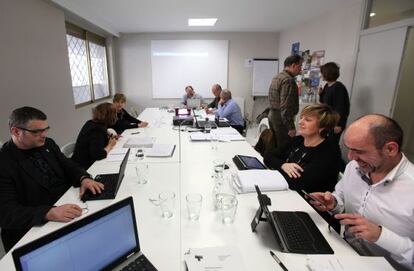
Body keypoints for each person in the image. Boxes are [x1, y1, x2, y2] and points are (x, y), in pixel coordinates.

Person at [309, 114, 414, 270]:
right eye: (349, 149)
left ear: (390, 149)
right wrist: (334, 203)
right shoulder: (354, 167)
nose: (351, 157)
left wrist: (381, 236)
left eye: (359, 151)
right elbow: (342, 198)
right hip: (343, 254)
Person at [0, 106, 104, 251]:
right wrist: (48, 213)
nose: (44, 135)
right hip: (34, 230)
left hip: (68, 206)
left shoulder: (47, 144)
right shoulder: (4, 162)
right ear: (15, 131)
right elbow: (6, 213)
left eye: (46, 129)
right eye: (37, 131)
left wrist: (83, 178)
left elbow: (69, 165)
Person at [264, 104, 342, 193]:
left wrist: (277, 166)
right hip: (288, 192)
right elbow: (268, 156)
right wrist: (283, 165)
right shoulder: (298, 140)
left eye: (307, 120)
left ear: (322, 127)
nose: (300, 122)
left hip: (308, 202)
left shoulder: (329, 152)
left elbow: (299, 183)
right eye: (301, 118)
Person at [268, 54, 303, 149]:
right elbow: (286, 106)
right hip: (281, 119)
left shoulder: (277, 77)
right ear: (293, 65)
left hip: (272, 116)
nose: (301, 69)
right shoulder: (288, 80)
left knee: (275, 146)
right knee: (284, 148)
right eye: (300, 66)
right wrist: (291, 127)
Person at [72, 103, 118, 170]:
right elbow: (98, 155)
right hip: (84, 168)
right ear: (110, 116)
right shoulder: (97, 130)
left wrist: (109, 135)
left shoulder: (90, 123)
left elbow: (100, 136)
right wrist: (110, 145)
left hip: (78, 162)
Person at [318, 62, 350, 144]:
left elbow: (341, 107)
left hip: (335, 123)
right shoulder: (326, 85)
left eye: (321, 73)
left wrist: (338, 124)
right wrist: (320, 94)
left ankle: (335, 157)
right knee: (324, 143)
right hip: (327, 120)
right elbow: (323, 103)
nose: (320, 75)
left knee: (332, 145)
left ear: (327, 73)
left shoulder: (338, 87)